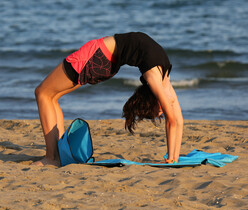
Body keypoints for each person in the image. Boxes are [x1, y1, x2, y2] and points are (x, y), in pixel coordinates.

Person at [33, 32, 183, 167]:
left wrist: (171, 159)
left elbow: (173, 120)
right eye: (160, 111)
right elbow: (177, 119)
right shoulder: (163, 79)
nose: (164, 108)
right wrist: (173, 158)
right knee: (52, 97)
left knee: (42, 93)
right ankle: (58, 154)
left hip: (98, 57)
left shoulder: (154, 76)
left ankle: (52, 157)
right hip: (104, 62)